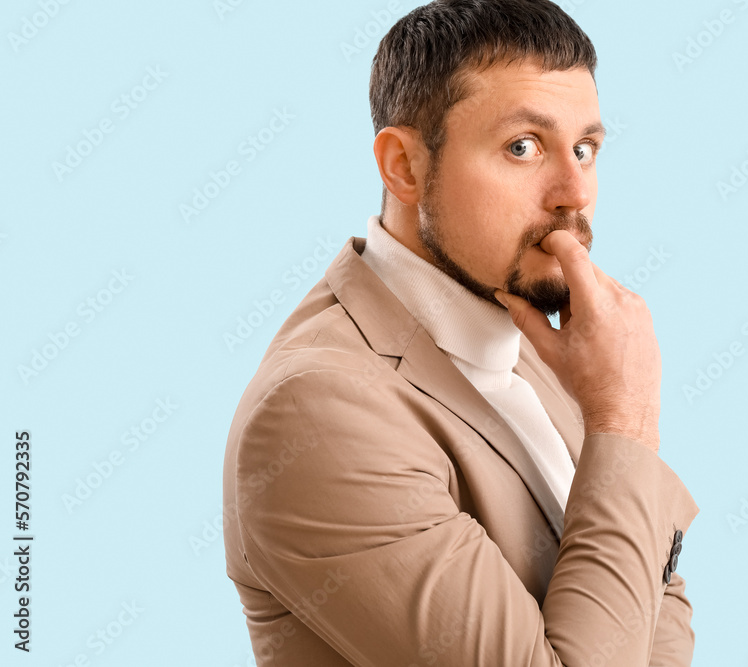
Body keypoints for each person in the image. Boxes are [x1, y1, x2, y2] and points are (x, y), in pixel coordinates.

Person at [222, 0, 700, 664]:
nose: (574, 192)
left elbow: (656, 625)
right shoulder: (318, 412)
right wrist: (625, 421)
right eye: (523, 147)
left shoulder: (541, 343)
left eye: (585, 148)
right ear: (405, 167)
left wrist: (614, 422)